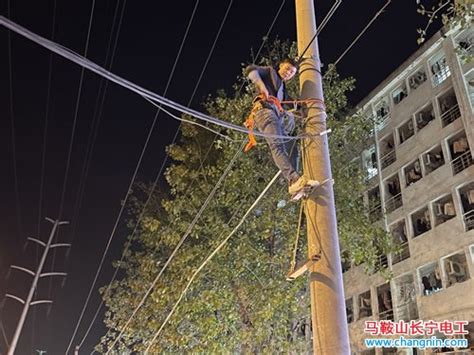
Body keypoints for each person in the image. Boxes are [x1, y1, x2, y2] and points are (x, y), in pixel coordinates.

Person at [245, 58, 319, 199]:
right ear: (280, 66)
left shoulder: (282, 90)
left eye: (291, 72)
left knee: (293, 148)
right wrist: (262, 86)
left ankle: (294, 184)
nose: (288, 73)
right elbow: (251, 70)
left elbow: (292, 107)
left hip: (275, 115)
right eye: (286, 69)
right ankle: (294, 179)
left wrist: (311, 110)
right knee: (277, 146)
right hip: (265, 112)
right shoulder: (270, 72)